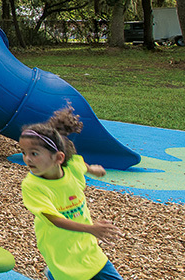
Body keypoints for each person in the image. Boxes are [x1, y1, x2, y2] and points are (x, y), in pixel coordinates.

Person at [19, 108, 124, 280]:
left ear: (58, 158)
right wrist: (91, 229)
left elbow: (80, 163)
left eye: (34, 153)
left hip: (88, 248)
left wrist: (93, 169)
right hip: (60, 252)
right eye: (24, 153)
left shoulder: (72, 168)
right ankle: (54, 274)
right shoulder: (32, 186)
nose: (27, 159)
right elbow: (55, 220)